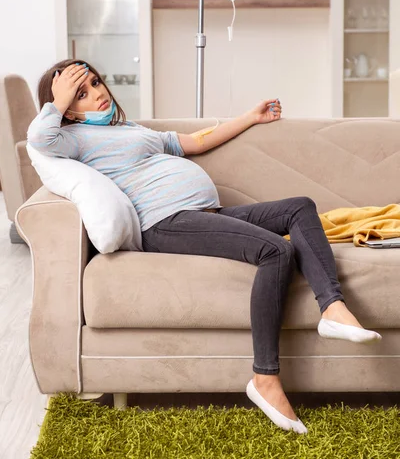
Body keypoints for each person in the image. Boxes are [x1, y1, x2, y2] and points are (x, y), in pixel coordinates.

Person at [28, 59, 382, 435]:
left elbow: (195, 142)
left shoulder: (129, 129)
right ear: (67, 109)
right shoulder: (72, 139)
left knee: (300, 207)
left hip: (205, 213)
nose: (97, 93)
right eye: (81, 93)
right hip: (166, 224)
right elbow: (38, 139)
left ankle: (332, 307)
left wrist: (250, 117)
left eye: (96, 83)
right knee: (276, 251)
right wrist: (58, 100)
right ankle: (264, 379)